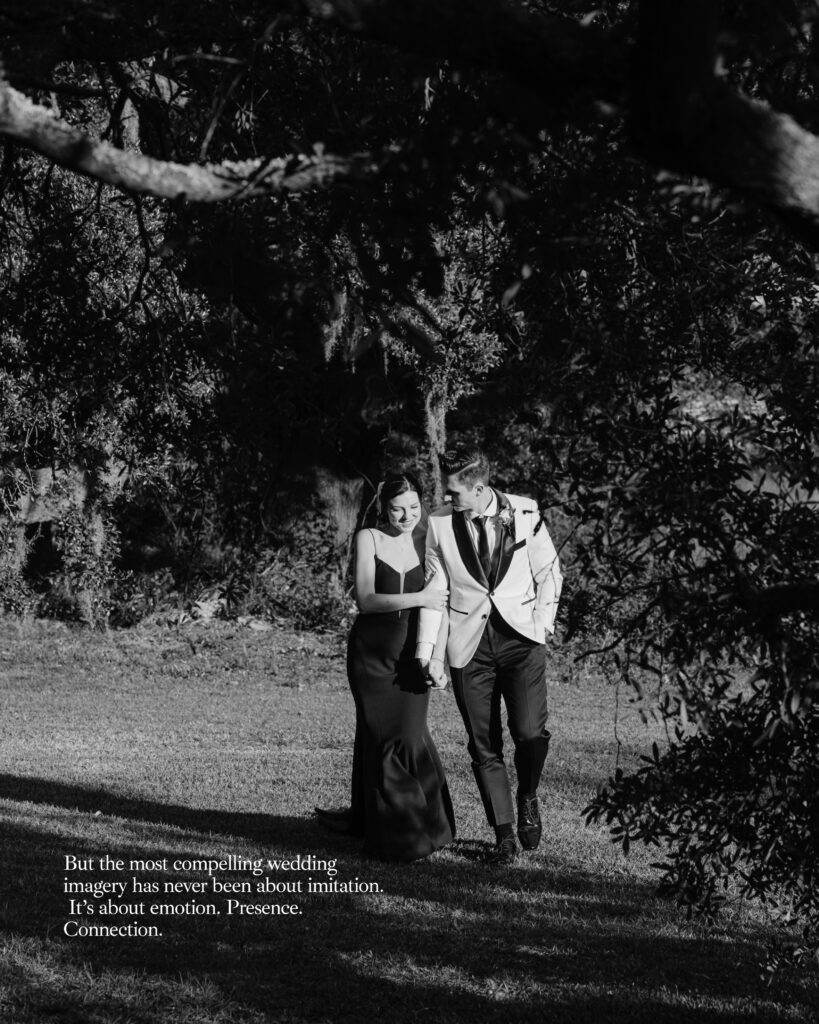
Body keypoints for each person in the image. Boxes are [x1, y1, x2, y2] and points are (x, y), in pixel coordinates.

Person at [415, 447, 563, 866]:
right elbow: (434, 589)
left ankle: (528, 794)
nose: (448, 499)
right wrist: (430, 653)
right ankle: (503, 835)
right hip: (469, 645)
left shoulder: (526, 512)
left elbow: (550, 572)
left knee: (530, 733)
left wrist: (542, 625)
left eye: (455, 492)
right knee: (484, 745)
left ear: (479, 489)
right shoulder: (440, 523)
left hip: (522, 641)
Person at [316, 471, 456, 861]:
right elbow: (366, 599)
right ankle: (402, 837)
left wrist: (437, 656)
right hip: (371, 656)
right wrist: (420, 596)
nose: (407, 515)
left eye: (414, 507)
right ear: (383, 508)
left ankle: (427, 825)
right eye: (398, 509)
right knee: (380, 737)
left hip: (414, 655)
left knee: (409, 737)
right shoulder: (369, 538)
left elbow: (441, 607)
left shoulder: (431, 540)